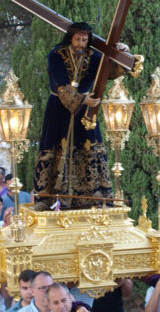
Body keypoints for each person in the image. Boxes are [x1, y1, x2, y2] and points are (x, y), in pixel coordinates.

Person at [32, 22, 129, 210]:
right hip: (59, 108)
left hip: (86, 111)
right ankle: (47, 197)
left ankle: (93, 197)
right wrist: (82, 99)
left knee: (88, 148)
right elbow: (60, 84)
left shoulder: (94, 56)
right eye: (78, 39)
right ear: (70, 37)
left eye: (85, 40)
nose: (81, 43)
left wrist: (123, 52)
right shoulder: (56, 55)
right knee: (54, 147)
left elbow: (110, 72)